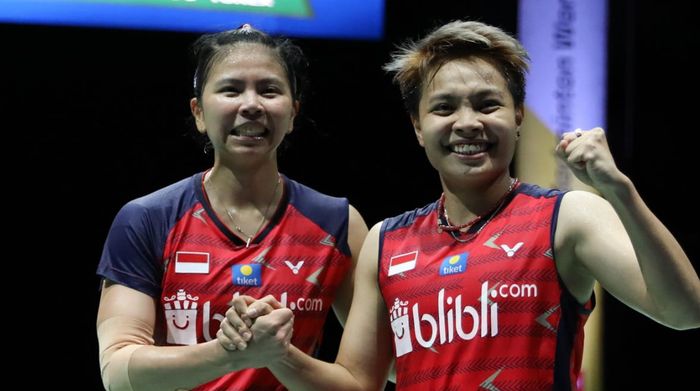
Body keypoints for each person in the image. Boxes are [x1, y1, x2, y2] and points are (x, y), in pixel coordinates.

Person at [219, 20, 700, 390]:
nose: (466, 123)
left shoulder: (566, 218)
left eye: (487, 104)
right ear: (417, 126)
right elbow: (358, 383)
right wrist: (277, 353)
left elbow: (684, 311)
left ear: (517, 116)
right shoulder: (386, 241)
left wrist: (620, 191)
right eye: (444, 108)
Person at [95, 24, 368, 391]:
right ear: (199, 113)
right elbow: (118, 370)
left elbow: (368, 380)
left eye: (269, 90)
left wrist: (278, 354)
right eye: (231, 89)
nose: (251, 104)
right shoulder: (147, 219)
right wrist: (231, 354)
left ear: (292, 114)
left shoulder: (338, 224)